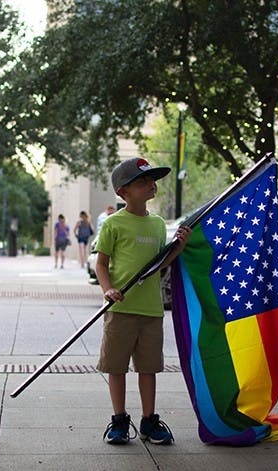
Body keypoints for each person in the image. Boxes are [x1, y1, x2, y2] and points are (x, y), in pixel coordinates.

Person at [95, 157, 191, 445]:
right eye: (142, 182)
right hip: (121, 309)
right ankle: (119, 420)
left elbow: (159, 264)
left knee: (148, 368)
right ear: (123, 191)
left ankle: (149, 421)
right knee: (117, 367)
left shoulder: (158, 224)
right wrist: (108, 289)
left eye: (152, 181)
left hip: (151, 310)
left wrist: (179, 247)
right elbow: (101, 264)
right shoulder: (113, 224)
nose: (151, 185)